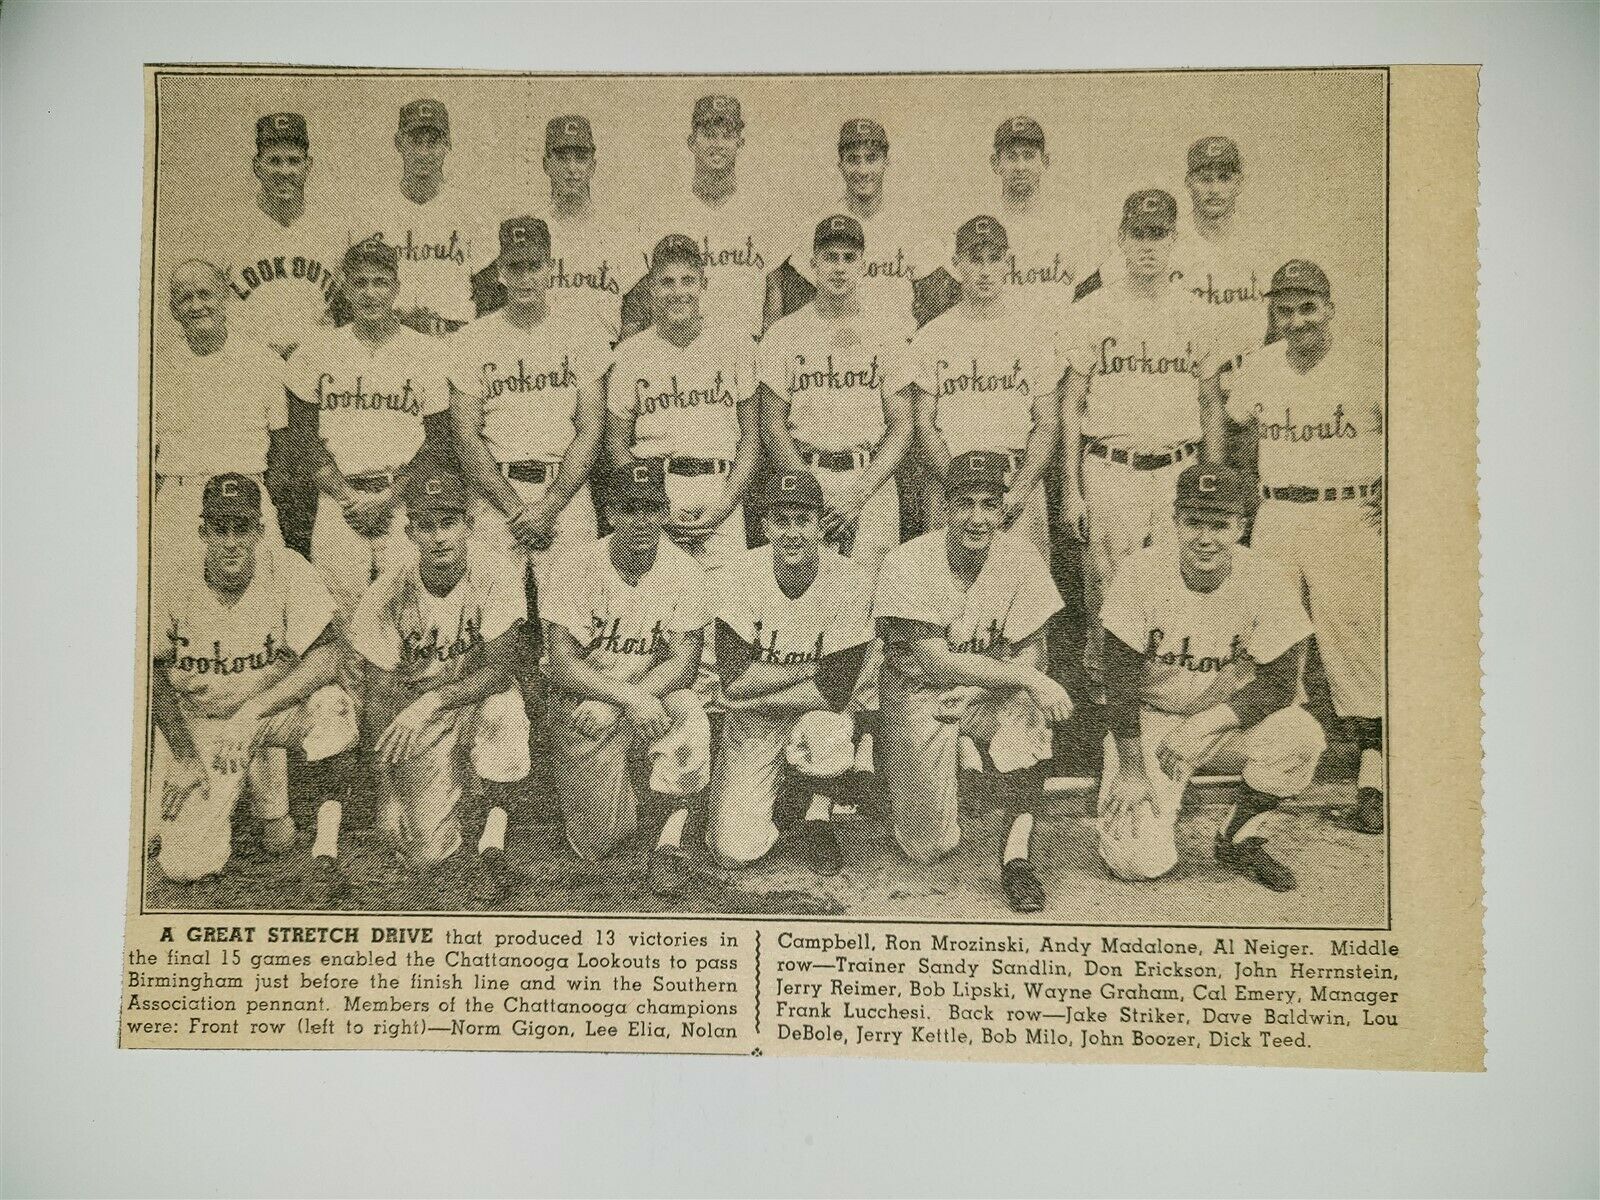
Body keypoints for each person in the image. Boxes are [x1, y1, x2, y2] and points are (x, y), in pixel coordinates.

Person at [1207, 260, 1385, 833]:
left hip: (1347, 511)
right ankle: (1272, 772)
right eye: (1284, 310)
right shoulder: (1259, 368)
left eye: (1308, 308)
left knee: (1353, 642)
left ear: (1329, 308)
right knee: (1271, 641)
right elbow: (1232, 425)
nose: (1297, 321)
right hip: (1279, 512)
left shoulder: (1367, 362)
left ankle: (1373, 780)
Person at [1097, 464, 1326, 890]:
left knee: (1300, 736)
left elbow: (1281, 681)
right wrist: (1131, 769)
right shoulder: (1140, 571)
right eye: (1193, 523)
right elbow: (1119, 676)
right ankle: (1150, 810)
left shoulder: (1266, 577)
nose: (1205, 538)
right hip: (1152, 725)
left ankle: (1240, 833)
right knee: (1139, 862)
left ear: (1241, 525)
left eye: (1219, 525)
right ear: (1175, 521)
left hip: (1220, 725)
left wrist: (1209, 722)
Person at [871, 451, 1074, 913]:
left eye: (989, 504)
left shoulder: (1021, 556)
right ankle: (955, 763)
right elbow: (925, 660)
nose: (978, 518)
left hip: (989, 691)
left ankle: (1016, 850)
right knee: (929, 846)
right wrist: (1018, 676)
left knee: (1031, 708)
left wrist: (1002, 685)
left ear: (1004, 507)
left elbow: (1032, 651)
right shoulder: (908, 561)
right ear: (945, 506)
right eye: (966, 504)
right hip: (919, 695)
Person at [149, 475, 357, 891]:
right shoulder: (173, 579)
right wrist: (186, 758)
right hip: (199, 725)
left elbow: (332, 654)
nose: (230, 541)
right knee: (183, 863)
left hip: (259, 715)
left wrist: (251, 713)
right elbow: (149, 673)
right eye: (219, 529)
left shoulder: (285, 568)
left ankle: (295, 813)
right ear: (202, 531)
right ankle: (243, 800)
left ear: (260, 531)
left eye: (241, 528)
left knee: (335, 711)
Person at [1059, 189, 1222, 693]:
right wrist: (1070, 487)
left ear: (1174, 239)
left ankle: (1168, 706)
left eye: (1158, 235)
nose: (1147, 246)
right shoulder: (1093, 309)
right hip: (1113, 468)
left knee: (1180, 588)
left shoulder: (1197, 311)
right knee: (1109, 592)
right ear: (1121, 238)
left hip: (1177, 467)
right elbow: (1071, 402)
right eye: (1138, 234)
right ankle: (1112, 717)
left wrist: (1211, 479)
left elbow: (1210, 401)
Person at [350, 469, 531, 898]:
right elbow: (378, 691)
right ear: (410, 531)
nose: (439, 538)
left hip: (472, 698)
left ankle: (494, 836)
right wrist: (388, 790)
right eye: (427, 526)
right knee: (426, 855)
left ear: (468, 525)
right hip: (414, 716)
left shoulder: (494, 573)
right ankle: (450, 791)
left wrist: (435, 700)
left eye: (448, 523)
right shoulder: (389, 589)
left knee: (505, 710)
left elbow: (503, 668)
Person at [538, 460, 712, 896]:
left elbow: (685, 661)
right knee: (599, 844)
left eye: (653, 509)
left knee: (691, 711)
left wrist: (628, 699)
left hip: (648, 698)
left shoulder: (684, 570)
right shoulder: (574, 565)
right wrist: (620, 699)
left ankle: (671, 832)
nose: (642, 521)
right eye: (630, 508)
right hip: (586, 706)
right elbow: (560, 661)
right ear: (610, 513)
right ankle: (631, 805)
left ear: (666, 513)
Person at [706, 471, 874, 874]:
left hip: (809, 713)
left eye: (803, 520)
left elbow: (833, 693)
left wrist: (752, 691)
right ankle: (780, 804)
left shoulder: (850, 579)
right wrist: (814, 668)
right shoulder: (737, 574)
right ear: (765, 525)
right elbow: (734, 677)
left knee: (828, 732)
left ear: (821, 524)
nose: (793, 533)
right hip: (754, 722)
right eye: (782, 521)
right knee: (734, 850)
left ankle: (816, 812)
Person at [287, 238, 453, 618]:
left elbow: (439, 441)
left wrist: (390, 497)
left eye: (380, 282)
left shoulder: (428, 352)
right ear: (345, 287)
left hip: (404, 501)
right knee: (342, 615)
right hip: (338, 504)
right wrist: (347, 496)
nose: (370, 293)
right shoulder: (316, 351)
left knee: (411, 614)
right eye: (360, 283)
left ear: (396, 287)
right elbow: (301, 439)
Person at [449, 217, 609, 601]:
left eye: (533, 266)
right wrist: (516, 509)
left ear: (550, 267)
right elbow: (465, 433)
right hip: (494, 497)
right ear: (500, 272)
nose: (524, 278)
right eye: (514, 267)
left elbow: (590, 428)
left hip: (565, 496)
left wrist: (550, 505)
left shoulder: (582, 332)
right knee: (492, 626)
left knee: (572, 622)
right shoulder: (473, 338)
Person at [757, 215, 913, 588]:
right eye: (830, 257)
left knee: (870, 606)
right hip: (805, 477)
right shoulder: (784, 334)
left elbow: (902, 424)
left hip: (870, 481)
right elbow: (772, 424)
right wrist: (813, 489)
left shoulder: (886, 330)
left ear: (862, 264)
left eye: (848, 257)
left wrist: (858, 493)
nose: (839, 268)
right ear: (813, 264)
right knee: (809, 604)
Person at [895, 216, 1060, 563]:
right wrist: (957, 486)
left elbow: (1046, 422)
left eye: (994, 259)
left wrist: (1022, 487)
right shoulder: (934, 336)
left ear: (1008, 263)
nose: (985, 271)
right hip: (950, 485)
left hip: (1016, 484)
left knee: (1022, 601)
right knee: (946, 598)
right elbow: (924, 422)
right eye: (974, 259)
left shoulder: (1033, 333)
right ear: (956, 265)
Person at [607, 235, 759, 591]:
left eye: (688, 280)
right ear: (651, 289)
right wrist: (658, 506)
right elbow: (616, 445)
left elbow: (751, 440)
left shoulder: (735, 343)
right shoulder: (630, 354)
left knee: (724, 616)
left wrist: (723, 506)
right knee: (660, 611)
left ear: (704, 284)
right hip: (657, 492)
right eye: (666, 282)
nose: (678, 292)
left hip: (720, 490)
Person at [154, 260, 288, 576]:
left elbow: (282, 446)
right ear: (173, 309)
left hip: (247, 498)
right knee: (172, 606)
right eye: (186, 299)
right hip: (179, 500)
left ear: (224, 297)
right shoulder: (158, 366)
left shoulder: (262, 360)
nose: (197, 305)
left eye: (206, 294)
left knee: (265, 595)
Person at [621, 94, 776, 341]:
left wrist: (767, 354)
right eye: (709, 135)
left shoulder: (762, 210)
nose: (718, 144)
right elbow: (636, 302)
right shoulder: (662, 212)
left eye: (727, 135)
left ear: (740, 142)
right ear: (692, 141)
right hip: (680, 352)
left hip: (745, 352)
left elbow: (773, 293)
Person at [766, 119, 939, 328]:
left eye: (871, 158)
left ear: (886, 161)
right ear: (841, 165)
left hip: (897, 347)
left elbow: (933, 304)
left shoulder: (909, 224)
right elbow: (797, 302)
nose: (863, 170)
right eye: (853, 160)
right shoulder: (819, 225)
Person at [346, 99, 487, 336]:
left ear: (448, 144)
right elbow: (349, 287)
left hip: (453, 336)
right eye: (415, 141)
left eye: (433, 142)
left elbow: (490, 290)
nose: (423, 152)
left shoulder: (472, 211)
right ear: (398, 142)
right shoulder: (369, 211)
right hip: (390, 338)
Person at [210, 112, 339, 360]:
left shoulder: (333, 229)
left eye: (293, 161)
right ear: (257, 166)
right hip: (248, 368)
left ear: (308, 165)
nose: (284, 171)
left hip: (318, 368)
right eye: (274, 161)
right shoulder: (226, 230)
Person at [1170, 136, 1279, 368]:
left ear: (1239, 183)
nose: (1214, 189)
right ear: (1188, 182)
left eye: (1224, 178)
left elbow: (1280, 314)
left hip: (1248, 374)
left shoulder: (1262, 241)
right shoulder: (1168, 239)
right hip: (1183, 376)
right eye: (1204, 179)